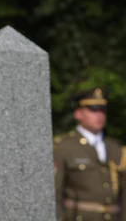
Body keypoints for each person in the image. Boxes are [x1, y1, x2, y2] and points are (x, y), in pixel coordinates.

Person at [54, 88, 126, 221]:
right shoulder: (64, 147)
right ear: (78, 114)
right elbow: (55, 193)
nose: (99, 115)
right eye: (93, 110)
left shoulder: (115, 147)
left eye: (102, 110)